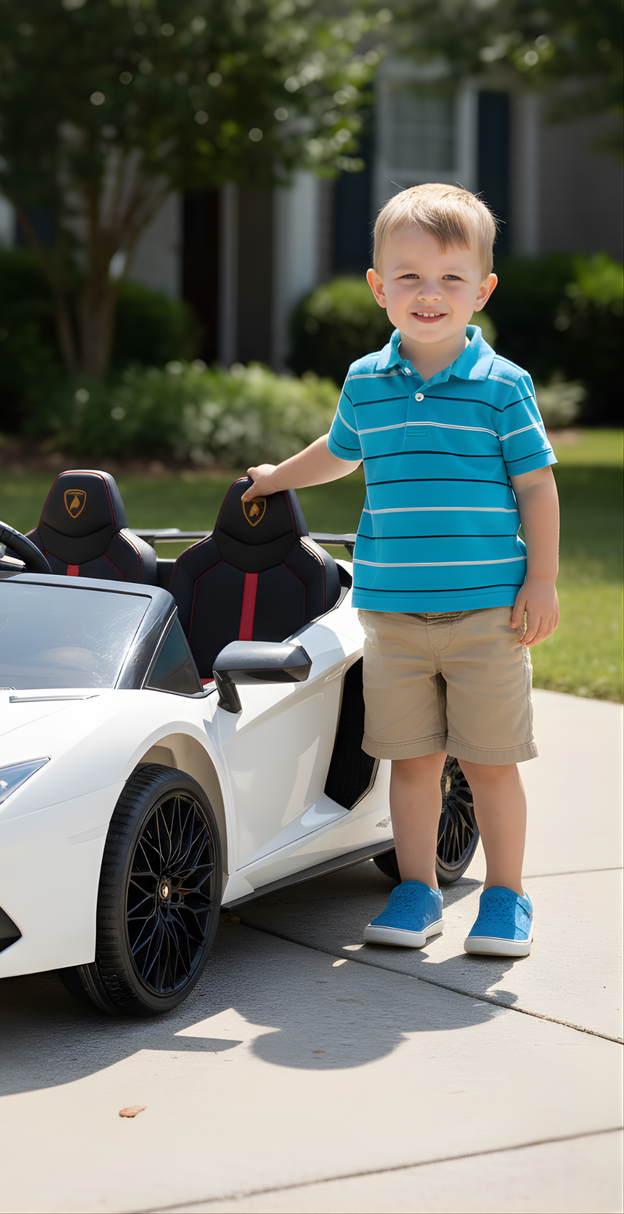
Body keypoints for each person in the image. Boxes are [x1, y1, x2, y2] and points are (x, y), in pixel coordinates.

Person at [243, 183, 560, 958]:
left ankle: (506, 896)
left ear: (481, 290)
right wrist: (278, 477)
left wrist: (541, 580)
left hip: (489, 614)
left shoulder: (502, 386)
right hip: (391, 614)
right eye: (410, 276)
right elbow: (340, 452)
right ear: (380, 288)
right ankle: (416, 889)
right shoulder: (365, 381)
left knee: (488, 766)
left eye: (452, 278)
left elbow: (537, 486)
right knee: (412, 765)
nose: (430, 294)